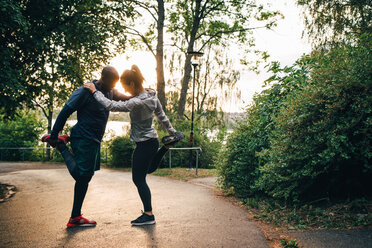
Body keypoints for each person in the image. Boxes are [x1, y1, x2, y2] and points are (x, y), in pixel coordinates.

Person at [83, 65, 185, 226]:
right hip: (153, 141)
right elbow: (162, 116)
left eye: (125, 86)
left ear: (131, 83)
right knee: (149, 169)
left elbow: (112, 106)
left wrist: (94, 92)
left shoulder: (137, 102)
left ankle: (148, 214)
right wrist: (172, 132)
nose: (125, 90)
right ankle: (165, 147)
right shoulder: (152, 96)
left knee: (138, 179)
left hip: (144, 144)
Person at [42, 66, 131, 227]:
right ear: (102, 78)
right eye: (110, 83)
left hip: (93, 140)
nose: (112, 87)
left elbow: (123, 98)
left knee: (85, 178)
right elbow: (65, 111)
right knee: (82, 177)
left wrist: (141, 94)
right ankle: (61, 146)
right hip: (83, 137)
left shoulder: (110, 91)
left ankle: (75, 217)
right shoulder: (85, 91)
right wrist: (54, 136)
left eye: (114, 84)